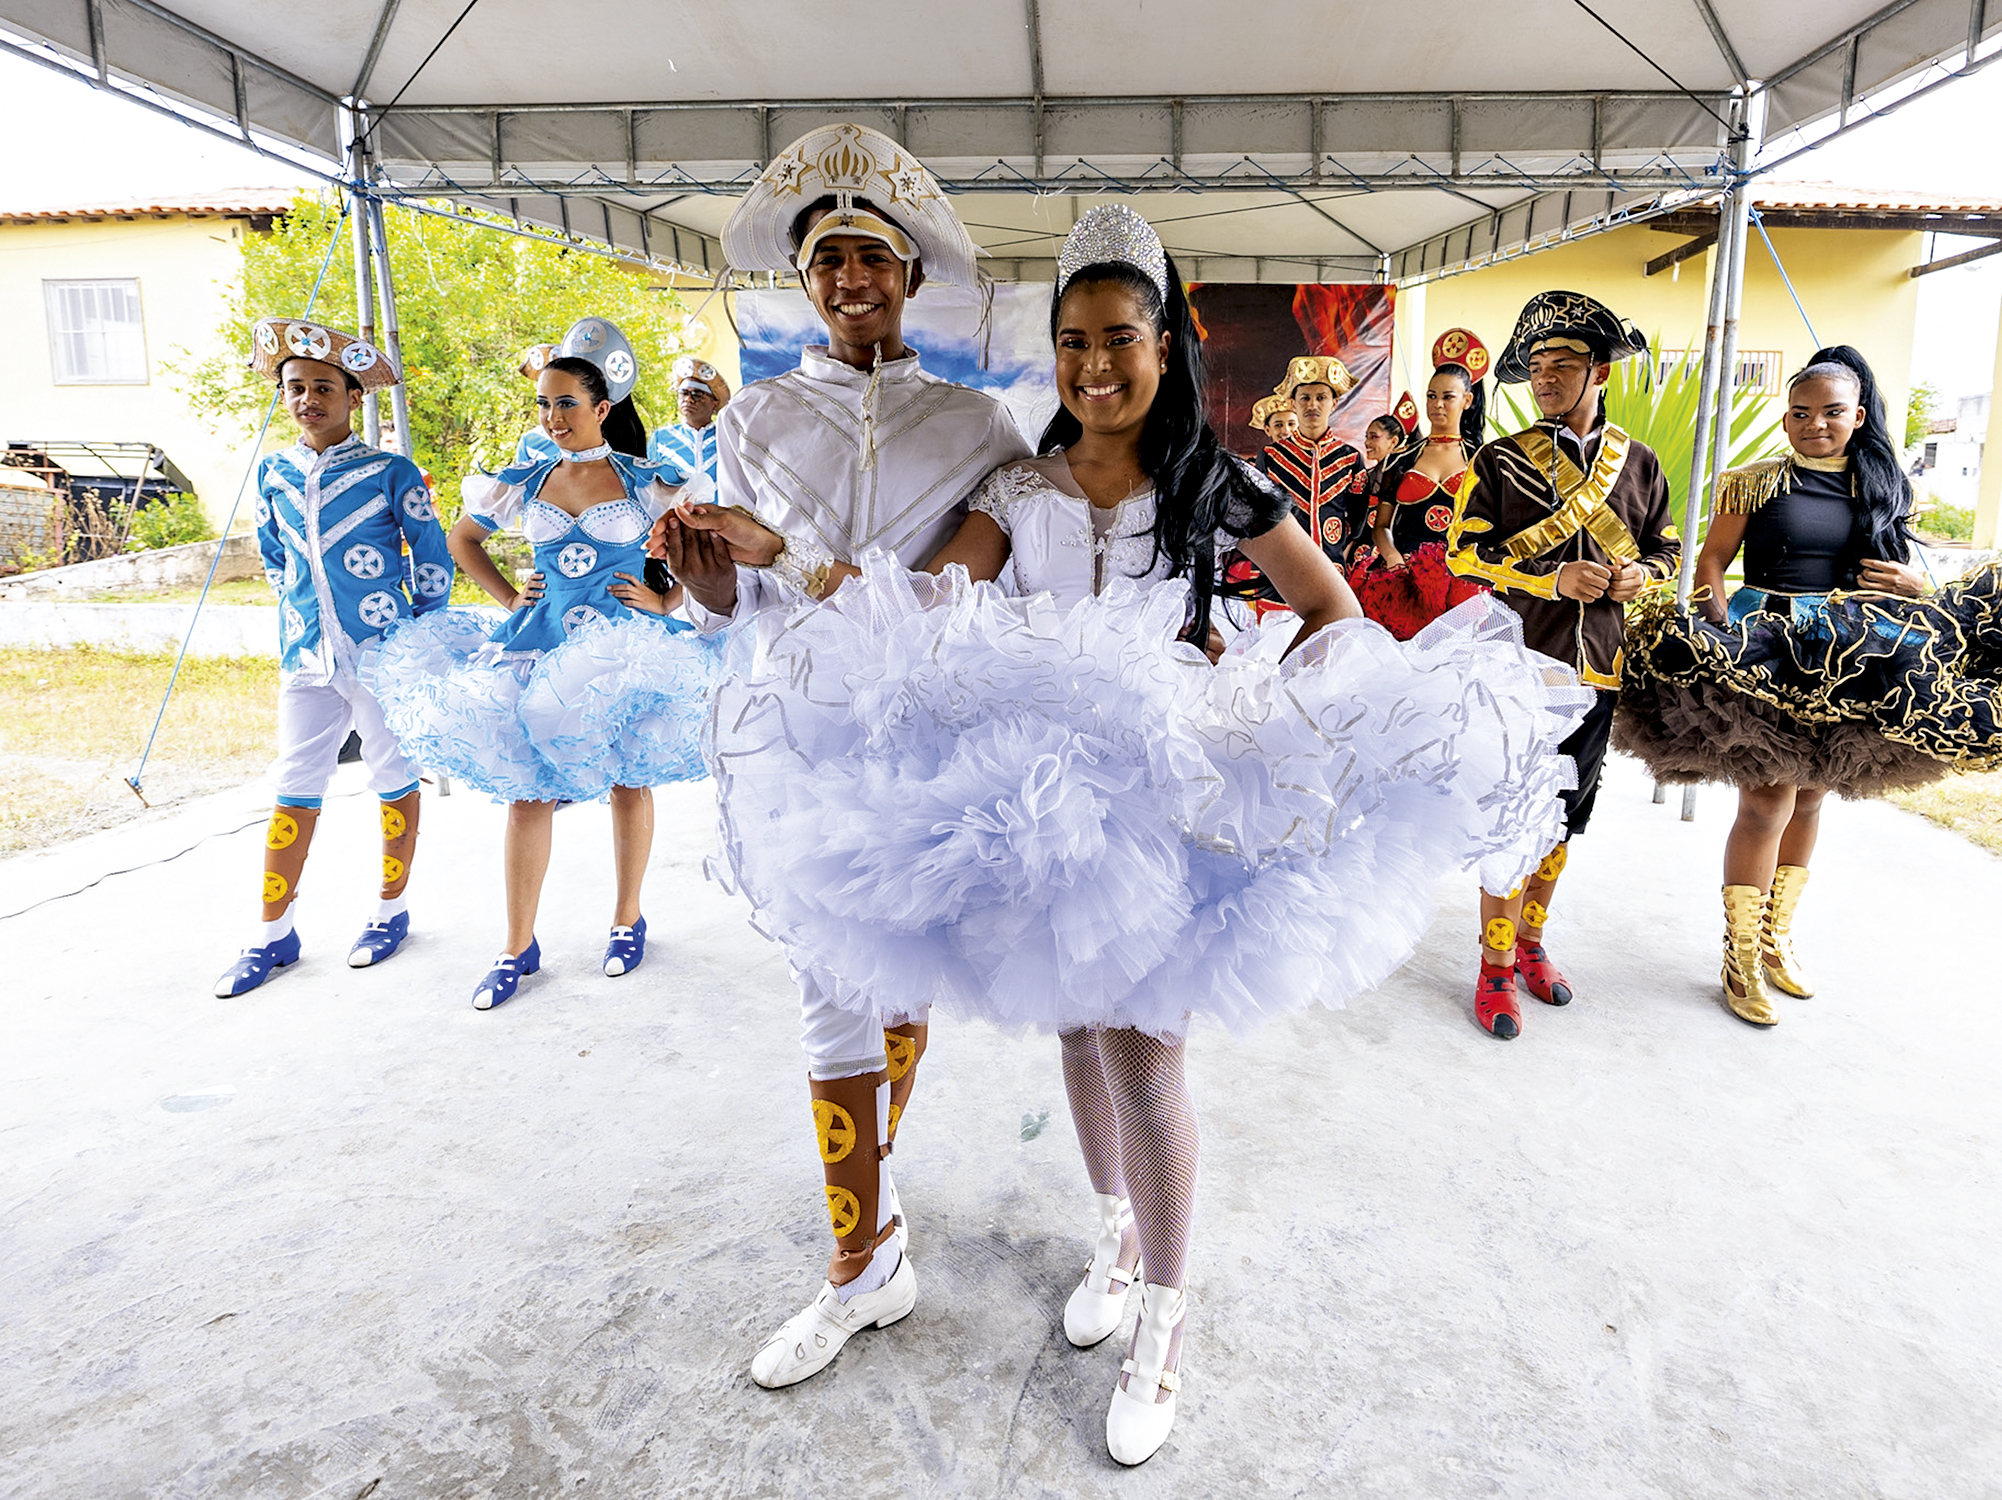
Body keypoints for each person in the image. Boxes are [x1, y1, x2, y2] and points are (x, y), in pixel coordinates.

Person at [704, 204, 1590, 1465]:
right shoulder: (1017, 485)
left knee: (1147, 1050)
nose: (1094, 365)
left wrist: (1279, 713)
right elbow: (923, 607)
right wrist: (780, 556)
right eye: (1071, 341)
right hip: (1043, 807)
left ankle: (1165, 1322)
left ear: (1166, 346)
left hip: (1171, 802)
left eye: (1120, 337)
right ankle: (1115, 1234)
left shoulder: (1216, 484)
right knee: (1077, 1020)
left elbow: (1334, 613)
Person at [644, 123, 1031, 1394]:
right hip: (803, 739)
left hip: (932, 747)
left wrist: (785, 566)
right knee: (828, 990)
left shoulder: (981, 426)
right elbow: (744, 612)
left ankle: (870, 1225)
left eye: (874, 257)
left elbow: (962, 600)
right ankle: (862, 1261)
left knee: (904, 977)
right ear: (802, 283)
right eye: (827, 263)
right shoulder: (752, 420)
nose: (851, 279)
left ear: (914, 277)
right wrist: (709, 586)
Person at [1612, 345, 2002, 1027]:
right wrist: (1714, 616)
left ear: (1857, 415)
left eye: (1831, 412)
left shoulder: (1882, 487)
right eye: (1800, 413)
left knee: (1809, 801)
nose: (1815, 425)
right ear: (1785, 419)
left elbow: (1901, 571)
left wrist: (1917, 585)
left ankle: (1775, 938)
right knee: (1765, 802)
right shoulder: (1750, 482)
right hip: (1765, 649)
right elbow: (1713, 558)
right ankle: (1737, 955)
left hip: (1851, 652)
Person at [362, 317, 716, 1010]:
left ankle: (626, 919)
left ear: (602, 409)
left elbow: (707, 548)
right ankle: (517, 946)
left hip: (621, 647)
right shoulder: (522, 479)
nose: (553, 418)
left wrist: (668, 600)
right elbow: (463, 539)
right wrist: (508, 596)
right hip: (541, 641)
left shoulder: (649, 480)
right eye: (544, 405)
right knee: (526, 792)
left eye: (566, 404)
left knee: (625, 778)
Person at [1446, 290, 1681, 1041]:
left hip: (1598, 669)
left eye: (1563, 364)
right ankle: (1490, 966)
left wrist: (1642, 574)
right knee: (1510, 818)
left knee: (1561, 823)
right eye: (1537, 366)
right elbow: (1462, 550)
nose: (1545, 377)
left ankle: (1530, 945)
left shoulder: (1639, 463)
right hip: (1518, 668)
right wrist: (1544, 580)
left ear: (1600, 371)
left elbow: (1668, 549)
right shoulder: (1499, 459)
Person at [213, 319, 453, 998]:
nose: (307, 398)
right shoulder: (273, 474)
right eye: (295, 387)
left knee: (393, 775)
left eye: (324, 386)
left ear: (353, 398)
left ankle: (389, 910)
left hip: (384, 655)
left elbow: (432, 560)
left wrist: (416, 640)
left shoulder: (390, 471)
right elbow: (274, 558)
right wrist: (301, 620)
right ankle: (271, 931)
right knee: (294, 784)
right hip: (307, 659)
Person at [1349, 329, 1493, 640]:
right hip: (1402, 581)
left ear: (1467, 400)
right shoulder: (1401, 459)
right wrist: (1392, 559)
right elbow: (1381, 525)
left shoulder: (1482, 461)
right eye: (1431, 396)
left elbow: (1491, 526)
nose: (1437, 405)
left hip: (1460, 584)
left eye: (1448, 397)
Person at [1257, 354, 1368, 572]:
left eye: (1321, 398)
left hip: (1332, 565)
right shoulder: (1271, 456)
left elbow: (1357, 519)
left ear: (1334, 403)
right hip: (1283, 568)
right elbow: (1262, 514)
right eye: (1305, 398)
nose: (1312, 405)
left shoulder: (1351, 458)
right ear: (1293, 404)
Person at [648, 356, 731, 484]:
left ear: (714, 403)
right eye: (683, 393)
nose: (688, 399)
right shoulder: (661, 438)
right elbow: (652, 484)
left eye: (697, 395)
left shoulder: (727, 438)